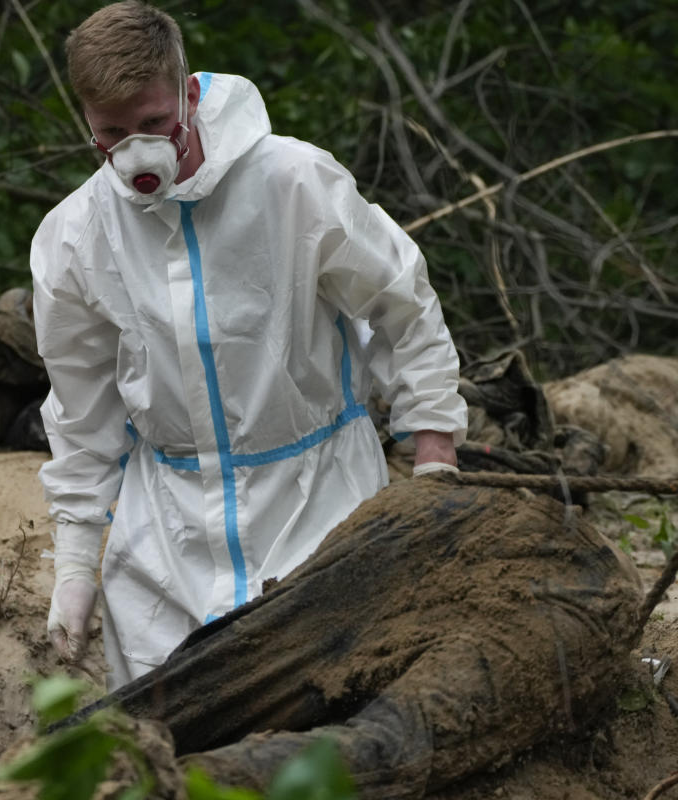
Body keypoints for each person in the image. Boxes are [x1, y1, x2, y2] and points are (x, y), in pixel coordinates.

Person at [31, 0, 467, 690]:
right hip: (164, 542)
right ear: (86, 123)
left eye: (152, 123)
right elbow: (81, 410)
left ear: (189, 94)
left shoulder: (293, 181)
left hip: (320, 506)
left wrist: (434, 447)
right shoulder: (76, 235)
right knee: (172, 748)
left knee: (329, 723)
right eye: (112, 132)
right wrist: (78, 564)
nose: (135, 149)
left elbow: (399, 302)